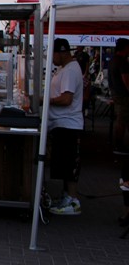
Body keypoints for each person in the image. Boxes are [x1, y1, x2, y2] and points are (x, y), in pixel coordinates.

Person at [47, 38, 85, 215]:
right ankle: (66, 197)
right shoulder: (64, 68)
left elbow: (66, 99)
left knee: (69, 165)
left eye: (52, 54)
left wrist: (46, 100)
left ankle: (72, 201)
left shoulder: (70, 70)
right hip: (60, 124)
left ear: (61, 52)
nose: (51, 58)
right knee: (63, 165)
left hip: (68, 124)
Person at [109, 38, 129, 155]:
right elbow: (127, 81)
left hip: (116, 94)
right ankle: (119, 145)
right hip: (123, 96)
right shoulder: (122, 62)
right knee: (121, 120)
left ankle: (119, 144)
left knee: (121, 120)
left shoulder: (113, 60)